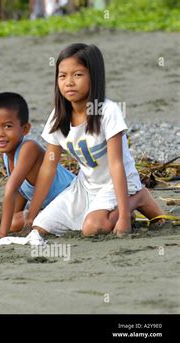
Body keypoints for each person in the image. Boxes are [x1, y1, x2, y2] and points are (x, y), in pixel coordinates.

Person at [23, 43, 165, 239]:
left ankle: (139, 198)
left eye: (78, 75)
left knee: (92, 228)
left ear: (94, 76)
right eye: (62, 76)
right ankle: (104, 210)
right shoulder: (58, 116)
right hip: (85, 186)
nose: (69, 82)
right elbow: (48, 168)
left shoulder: (108, 111)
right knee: (40, 227)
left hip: (119, 184)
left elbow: (116, 165)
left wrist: (124, 216)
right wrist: (31, 215)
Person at [0, 92, 74, 240]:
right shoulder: (6, 154)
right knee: (11, 221)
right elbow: (21, 191)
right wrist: (12, 217)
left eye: (8, 126)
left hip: (71, 199)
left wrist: (2, 233)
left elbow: (11, 189)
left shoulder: (29, 148)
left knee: (14, 223)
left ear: (25, 129)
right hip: (49, 205)